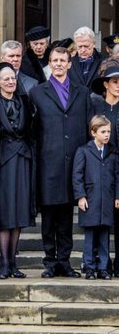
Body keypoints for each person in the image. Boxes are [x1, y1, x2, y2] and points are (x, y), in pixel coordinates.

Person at [29, 47, 91, 278]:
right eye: (54, 60)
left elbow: (88, 128)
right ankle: (50, 262)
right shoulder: (37, 92)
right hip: (48, 163)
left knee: (66, 217)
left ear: (69, 63)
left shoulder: (82, 93)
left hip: (74, 163)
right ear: (49, 63)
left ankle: (64, 261)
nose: (58, 64)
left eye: (62, 60)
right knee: (49, 218)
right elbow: (33, 132)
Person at [0, 63, 36, 279]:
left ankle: (13, 263)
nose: (11, 81)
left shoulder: (26, 102)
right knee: (4, 213)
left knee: (19, 212)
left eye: (13, 78)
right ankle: (3, 263)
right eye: (6, 79)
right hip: (1, 163)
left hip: (23, 161)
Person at [73, 115, 119, 280]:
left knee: (104, 236)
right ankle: (90, 267)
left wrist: (117, 196)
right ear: (94, 132)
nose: (107, 135)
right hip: (90, 200)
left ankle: (104, 268)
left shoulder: (112, 153)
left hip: (106, 200)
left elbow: (117, 176)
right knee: (90, 236)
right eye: (103, 131)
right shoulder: (83, 151)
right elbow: (77, 176)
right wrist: (80, 196)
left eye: (108, 131)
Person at [91, 59, 119, 276]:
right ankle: (100, 263)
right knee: (100, 219)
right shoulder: (96, 106)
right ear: (106, 84)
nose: (118, 85)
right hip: (101, 165)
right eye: (114, 81)